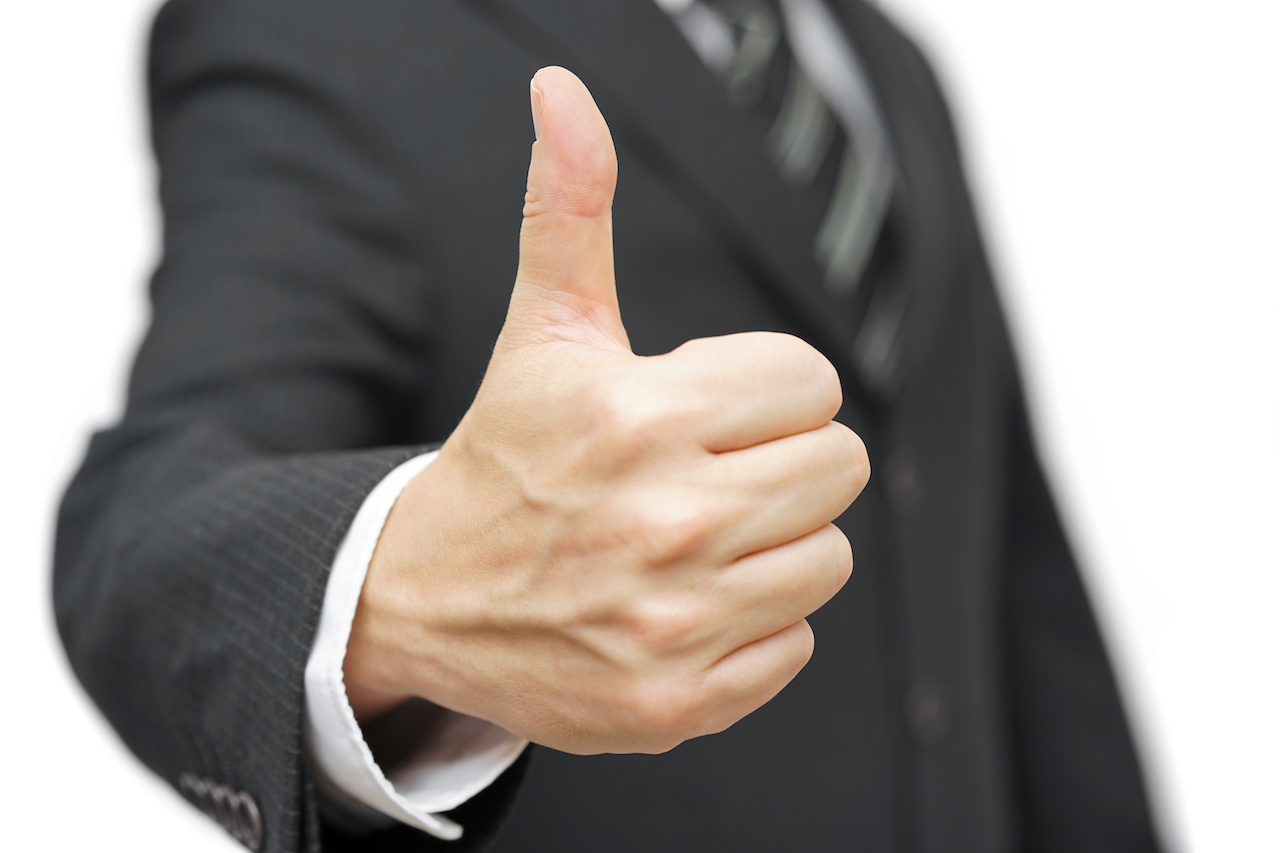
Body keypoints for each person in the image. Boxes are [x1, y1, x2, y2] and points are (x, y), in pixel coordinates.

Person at [54, 0, 1163, 850]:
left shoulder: (887, 63)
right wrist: (396, 594)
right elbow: (145, 523)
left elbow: (1015, 589)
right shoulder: (327, 29)